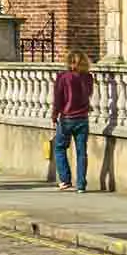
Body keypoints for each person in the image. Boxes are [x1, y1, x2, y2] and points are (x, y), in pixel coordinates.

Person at [52, 50, 95, 193]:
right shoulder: (88, 77)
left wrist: (54, 115)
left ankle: (65, 179)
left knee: (59, 148)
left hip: (67, 117)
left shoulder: (63, 77)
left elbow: (58, 98)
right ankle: (81, 184)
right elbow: (88, 94)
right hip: (83, 118)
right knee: (81, 152)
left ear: (70, 62)